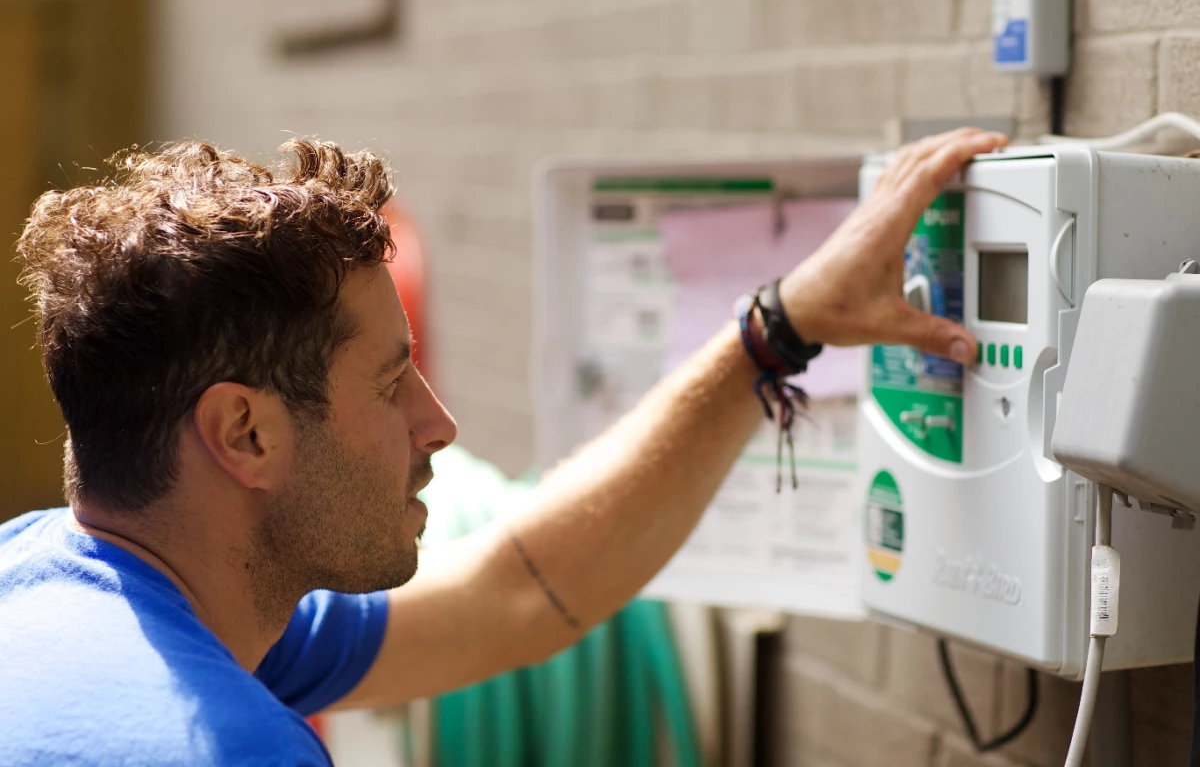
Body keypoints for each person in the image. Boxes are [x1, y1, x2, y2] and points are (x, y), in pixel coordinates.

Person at [0, 128, 1005, 765]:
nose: (440, 424)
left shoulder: (51, 572)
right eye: (392, 383)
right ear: (244, 432)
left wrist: (778, 327)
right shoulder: (221, 744)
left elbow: (514, 595)